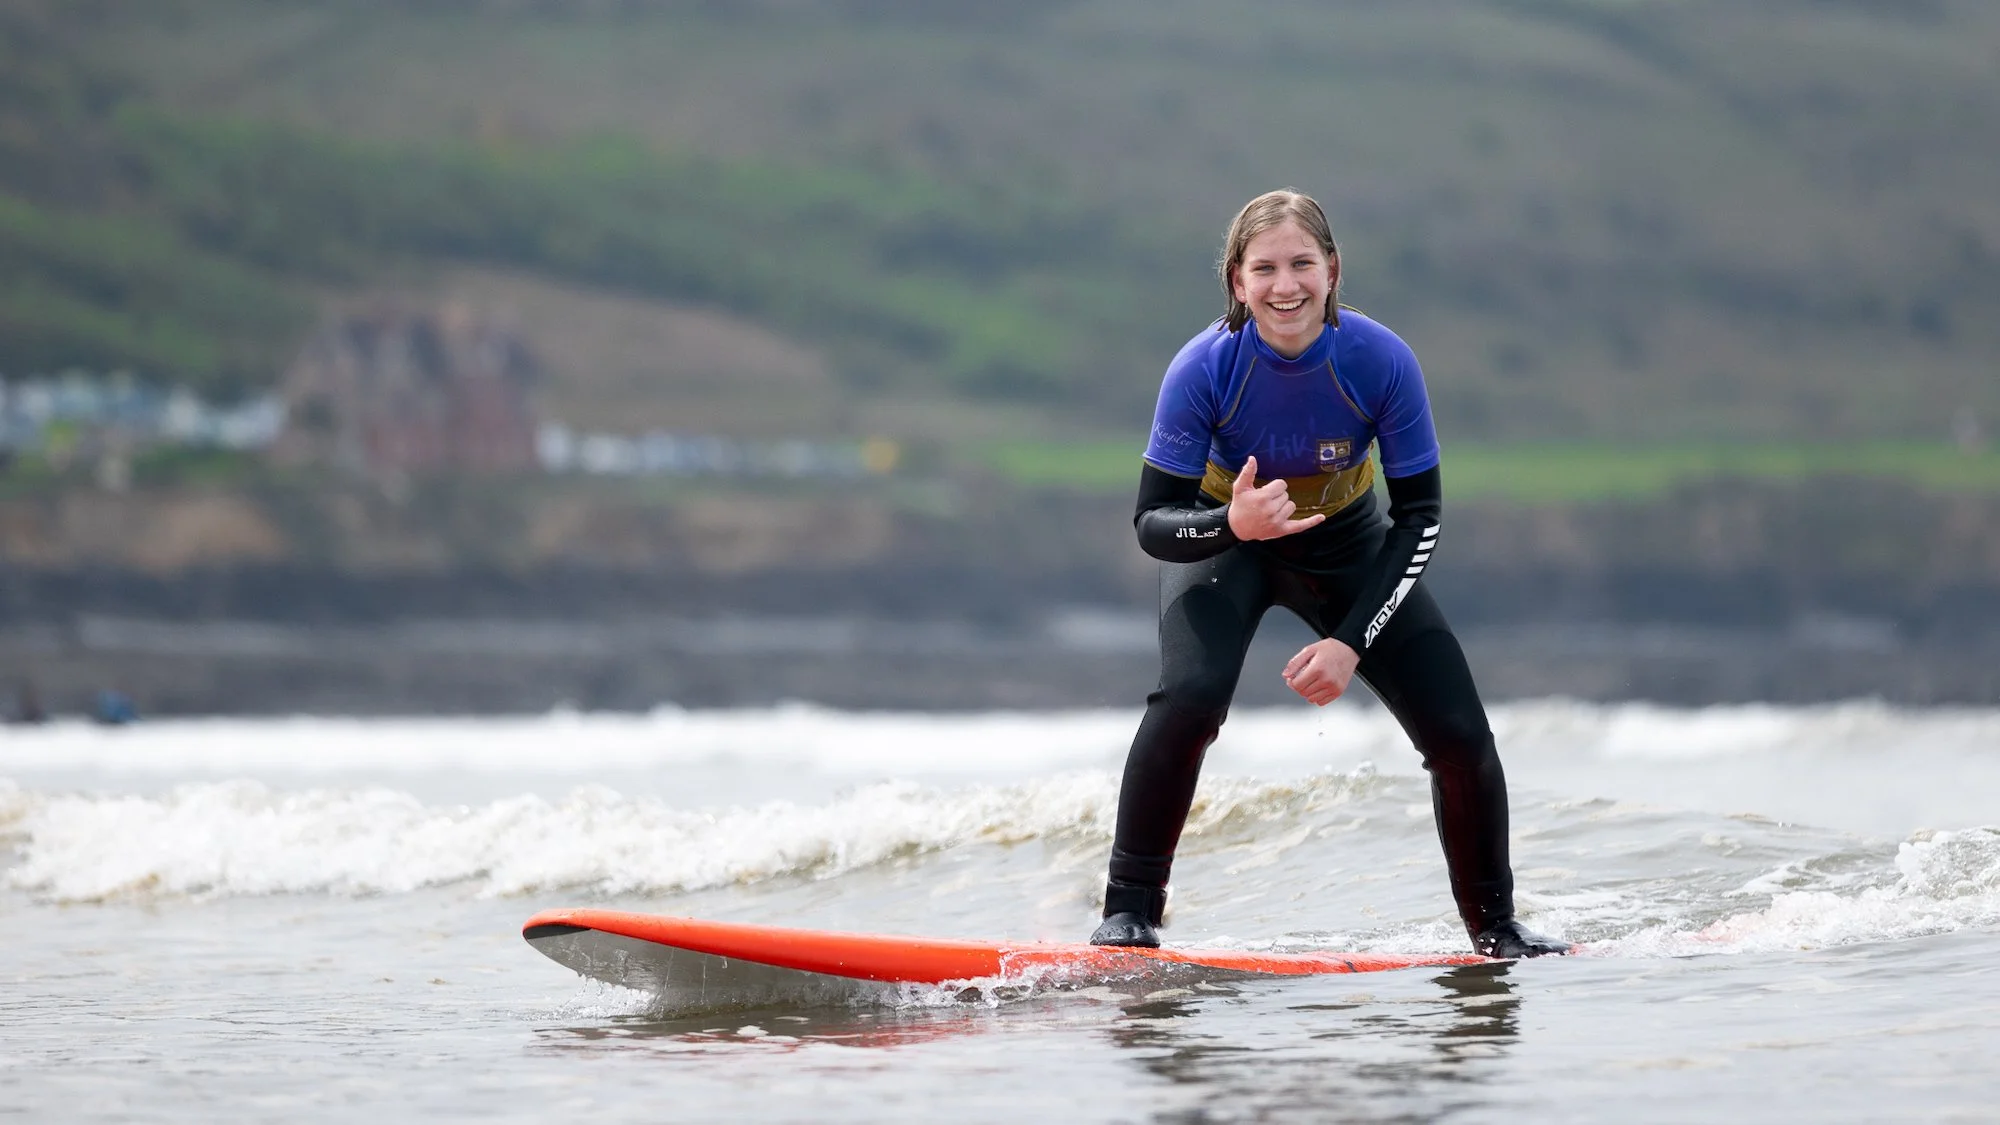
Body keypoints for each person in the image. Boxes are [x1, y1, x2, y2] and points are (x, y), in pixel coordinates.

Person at [1089, 188, 1567, 959]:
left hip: (1349, 544)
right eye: (1266, 268)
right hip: (1229, 537)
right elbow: (1152, 522)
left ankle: (1496, 928)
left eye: (1302, 264)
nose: (1287, 286)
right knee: (1190, 698)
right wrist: (1229, 523)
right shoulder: (1203, 368)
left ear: (1333, 269)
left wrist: (1350, 641)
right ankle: (1129, 912)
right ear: (1237, 281)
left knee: (1458, 735)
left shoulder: (1379, 360)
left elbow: (1420, 517)